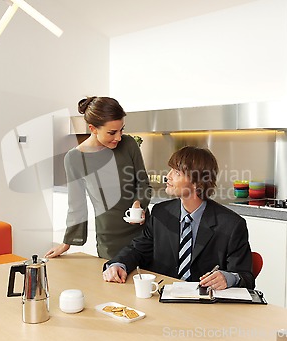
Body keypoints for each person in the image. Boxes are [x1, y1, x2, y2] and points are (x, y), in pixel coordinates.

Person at [102, 146, 255, 290]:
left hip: (204, 307)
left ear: (197, 182)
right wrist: (118, 264)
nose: (167, 176)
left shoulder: (231, 225)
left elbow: (245, 277)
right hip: (162, 297)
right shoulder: (161, 213)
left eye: (176, 172)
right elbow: (138, 250)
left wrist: (228, 278)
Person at [45, 96, 152, 260]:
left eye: (121, 130)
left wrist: (139, 203)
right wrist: (67, 242)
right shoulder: (75, 158)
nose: (118, 137)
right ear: (93, 128)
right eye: (112, 132)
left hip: (144, 234)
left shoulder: (129, 144)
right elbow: (77, 204)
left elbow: (143, 183)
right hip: (110, 241)